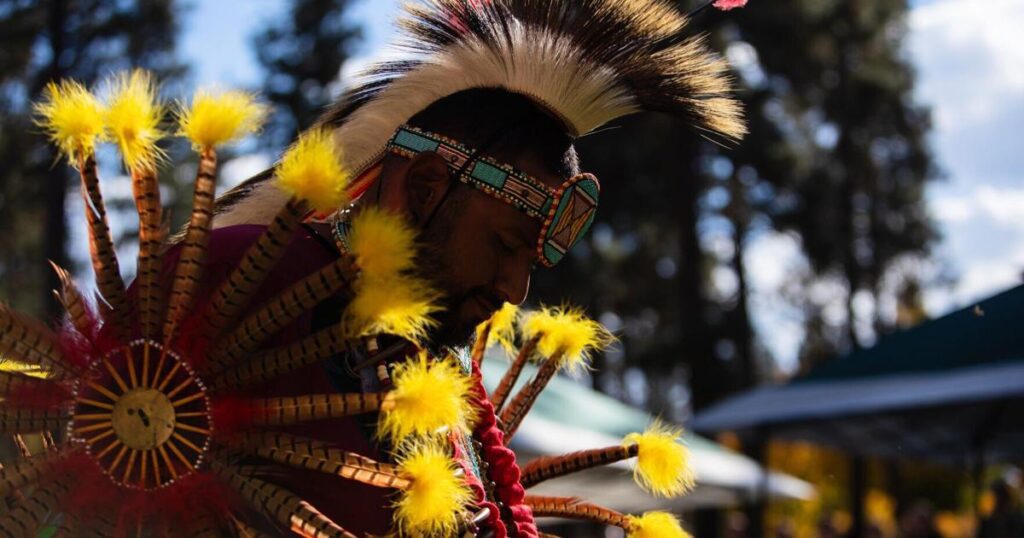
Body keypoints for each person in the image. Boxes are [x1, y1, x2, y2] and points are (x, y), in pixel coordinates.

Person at [3, 0, 747, 536]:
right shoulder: (243, 278)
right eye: (505, 244)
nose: (515, 290)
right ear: (422, 189)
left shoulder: (437, 383)